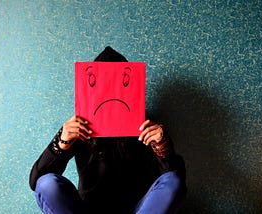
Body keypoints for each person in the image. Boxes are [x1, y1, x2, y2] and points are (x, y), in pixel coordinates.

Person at [29, 46, 186, 214]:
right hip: (87, 210)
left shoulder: (146, 127)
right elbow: (37, 182)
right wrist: (62, 143)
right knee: (47, 183)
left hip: (137, 209)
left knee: (173, 181)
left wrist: (163, 146)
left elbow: (175, 184)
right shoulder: (79, 126)